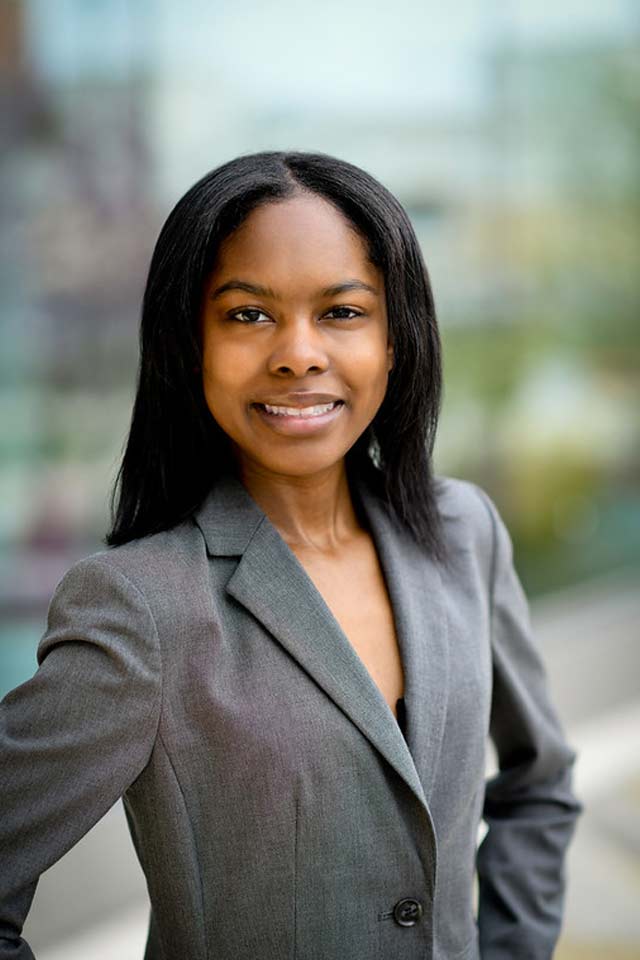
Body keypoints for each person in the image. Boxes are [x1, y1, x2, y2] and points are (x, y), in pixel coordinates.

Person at [0, 151, 582, 960]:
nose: (299, 354)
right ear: (188, 343)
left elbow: (538, 783)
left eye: (343, 312)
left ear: (394, 339)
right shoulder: (141, 608)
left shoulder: (464, 534)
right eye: (247, 315)